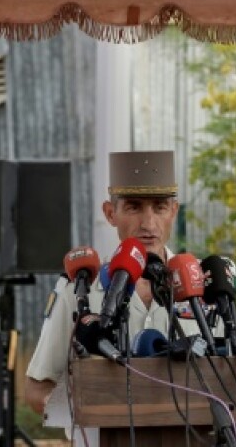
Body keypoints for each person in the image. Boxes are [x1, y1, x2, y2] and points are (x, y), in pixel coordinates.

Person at [24, 150, 200, 423]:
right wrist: (97, 410)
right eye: (133, 207)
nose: (148, 223)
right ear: (110, 213)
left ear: (174, 211)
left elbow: (227, 373)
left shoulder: (200, 283)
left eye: (160, 207)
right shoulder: (79, 286)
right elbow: (37, 390)